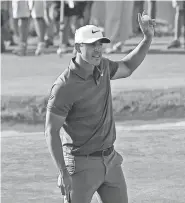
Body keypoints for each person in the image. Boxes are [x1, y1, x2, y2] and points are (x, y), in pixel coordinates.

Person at [45, 12, 155, 203]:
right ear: (78, 47)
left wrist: (147, 39)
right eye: (91, 45)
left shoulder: (102, 66)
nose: (98, 50)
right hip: (80, 165)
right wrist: (63, 172)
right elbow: (51, 130)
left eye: (100, 44)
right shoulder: (64, 86)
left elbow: (127, 67)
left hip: (110, 160)